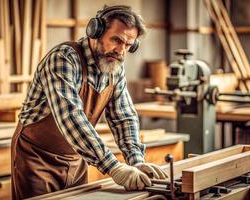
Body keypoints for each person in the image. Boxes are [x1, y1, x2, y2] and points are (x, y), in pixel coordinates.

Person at [11, 5, 168, 199]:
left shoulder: (115, 68)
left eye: (128, 45)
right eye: (116, 40)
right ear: (96, 31)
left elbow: (124, 117)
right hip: (37, 158)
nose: (121, 51)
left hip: (78, 157)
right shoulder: (63, 59)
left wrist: (135, 160)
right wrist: (114, 167)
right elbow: (71, 118)